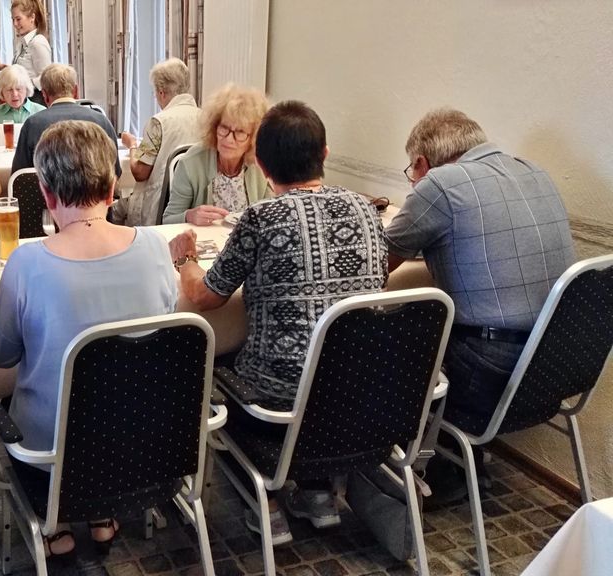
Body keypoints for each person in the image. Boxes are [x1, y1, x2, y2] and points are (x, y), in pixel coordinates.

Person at [169, 100, 389, 542]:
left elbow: (205, 297)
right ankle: (317, 494)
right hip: (357, 396)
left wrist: (185, 258)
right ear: (324, 154)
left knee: (215, 367)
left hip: (278, 406)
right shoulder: (368, 210)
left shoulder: (261, 218)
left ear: (263, 165)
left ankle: (264, 504)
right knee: (320, 361)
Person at [0, 120, 178, 556]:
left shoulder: (27, 263)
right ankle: (100, 512)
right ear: (111, 189)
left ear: (47, 194)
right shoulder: (155, 247)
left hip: (52, 459)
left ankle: (56, 522)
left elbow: (0, 355)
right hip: (142, 448)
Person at [385, 108, 575, 426]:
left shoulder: (439, 184)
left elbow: (379, 262)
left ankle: (400, 445)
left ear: (421, 163)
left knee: (385, 334)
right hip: (558, 360)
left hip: (491, 368)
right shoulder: (535, 171)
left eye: (411, 173)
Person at [162, 84, 270, 225]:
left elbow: (271, 214)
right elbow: (167, 220)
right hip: (203, 238)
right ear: (214, 127)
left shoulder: (261, 165)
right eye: (224, 128)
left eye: (240, 132)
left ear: (253, 138)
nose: (229, 139)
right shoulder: (190, 163)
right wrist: (189, 216)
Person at [113, 57, 201, 226]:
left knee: (120, 208)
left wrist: (132, 145)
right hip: (194, 202)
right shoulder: (206, 119)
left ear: (161, 92)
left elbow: (140, 172)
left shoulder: (158, 122)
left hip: (160, 206)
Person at [11, 64, 121, 177]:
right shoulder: (101, 121)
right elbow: (115, 171)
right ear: (76, 91)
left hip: (47, 188)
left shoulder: (33, 124)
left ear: (44, 94)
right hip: (96, 188)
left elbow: (19, 175)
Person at [0, 0, 51, 105]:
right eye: (13, 20)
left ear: (32, 17)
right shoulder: (22, 43)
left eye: (18, 19)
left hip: (34, 99)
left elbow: (45, 77)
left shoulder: (38, 42)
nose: (15, 24)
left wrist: (25, 85)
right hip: (23, 98)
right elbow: (26, 70)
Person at [0, 64, 44, 146]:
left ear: (26, 89)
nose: (14, 94)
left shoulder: (41, 112)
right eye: (9, 90)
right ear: (1, 92)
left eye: (18, 89)